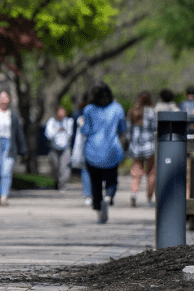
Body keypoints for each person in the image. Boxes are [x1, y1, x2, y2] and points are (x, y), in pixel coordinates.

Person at [80, 82, 127, 224]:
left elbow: (85, 131)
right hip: (112, 150)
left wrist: (82, 125)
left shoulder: (88, 110)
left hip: (93, 151)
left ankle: (99, 213)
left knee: (95, 183)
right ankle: (109, 197)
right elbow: (123, 128)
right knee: (112, 179)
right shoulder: (117, 108)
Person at [0, 90, 26, 206]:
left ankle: (4, 197)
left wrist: (23, 150)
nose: (4, 99)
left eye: (6, 97)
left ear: (9, 100)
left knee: (6, 172)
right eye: (1, 97)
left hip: (9, 144)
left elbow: (19, 133)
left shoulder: (12, 116)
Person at [126, 91, 157, 208]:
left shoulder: (132, 111)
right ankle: (149, 198)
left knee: (136, 173)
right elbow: (155, 128)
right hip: (149, 146)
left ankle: (133, 194)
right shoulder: (151, 112)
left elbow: (128, 131)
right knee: (151, 173)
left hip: (136, 146)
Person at [44, 106, 74, 190]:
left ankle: (63, 184)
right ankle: (56, 182)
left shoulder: (69, 121)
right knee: (55, 167)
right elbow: (48, 135)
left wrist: (65, 131)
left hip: (65, 148)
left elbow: (70, 134)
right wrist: (57, 131)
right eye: (59, 112)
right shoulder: (52, 122)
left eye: (63, 112)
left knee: (64, 167)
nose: (61, 114)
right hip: (54, 148)